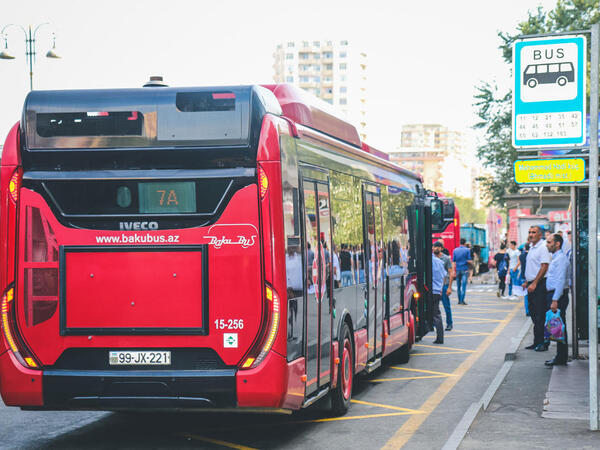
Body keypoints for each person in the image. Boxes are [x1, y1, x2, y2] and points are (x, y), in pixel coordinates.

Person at [522, 226, 551, 351]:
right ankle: (536, 341)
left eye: (533, 232)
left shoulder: (543, 247)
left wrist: (534, 283)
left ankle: (543, 343)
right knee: (533, 314)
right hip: (531, 283)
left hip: (539, 284)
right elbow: (533, 267)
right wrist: (527, 282)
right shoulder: (532, 247)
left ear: (540, 235)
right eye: (529, 232)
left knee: (540, 315)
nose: (531, 234)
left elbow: (544, 267)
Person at [544, 233, 570, 366]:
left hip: (557, 296)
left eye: (549, 242)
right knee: (557, 327)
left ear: (557, 244)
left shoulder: (560, 259)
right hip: (555, 295)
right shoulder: (556, 258)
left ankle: (561, 357)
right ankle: (560, 356)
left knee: (559, 327)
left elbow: (560, 280)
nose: (547, 245)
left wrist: (555, 300)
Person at [434, 241, 453, 331]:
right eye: (435, 246)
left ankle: (449, 323)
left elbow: (450, 273)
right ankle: (434, 323)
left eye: (438, 247)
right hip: (434, 286)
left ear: (442, 248)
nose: (436, 248)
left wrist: (449, 287)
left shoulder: (446, 259)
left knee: (446, 306)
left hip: (444, 285)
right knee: (434, 306)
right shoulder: (431, 258)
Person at [431, 249, 447, 344]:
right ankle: (440, 336)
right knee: (437, 313)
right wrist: (441, 288)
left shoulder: (429, 262)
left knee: (435, 313)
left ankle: (440, 338)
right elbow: (444, 276)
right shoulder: (440, 262)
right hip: (437, 290)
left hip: (430, 291)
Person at [452, 238, 472, 305]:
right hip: (465, 269)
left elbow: (453, 261)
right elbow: (469, 260)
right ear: (465, 243)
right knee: (463, 285)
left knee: (458, 285)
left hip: (458, 269)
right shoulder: (467, 250)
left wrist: (453, 271)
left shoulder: (455, 250)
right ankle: (462, 300)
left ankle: (459, 300)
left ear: (459, 242)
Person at [519, 243, 530, 315]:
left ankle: (527, 311)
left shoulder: (521, 256)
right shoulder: (531, 255)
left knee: (526, 295)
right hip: (531, 277)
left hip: (523, 275)